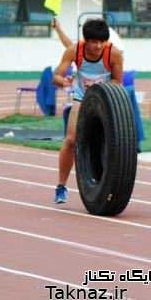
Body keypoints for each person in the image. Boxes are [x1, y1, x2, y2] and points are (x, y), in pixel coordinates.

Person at [52, 19, 123, 204]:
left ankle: (110, 184)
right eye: (94, 42)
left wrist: (100, 85)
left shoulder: (113, 53)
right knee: (71, 140)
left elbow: (118, 81)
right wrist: (65, 82)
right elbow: (57, 76)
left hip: (107, 100)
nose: (98, 46)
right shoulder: (75, 50)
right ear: (86, 40)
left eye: (102, 42)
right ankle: (61, 186)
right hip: (81, 97)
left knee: (111, 143)